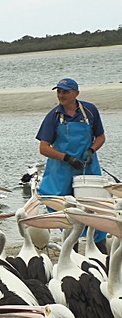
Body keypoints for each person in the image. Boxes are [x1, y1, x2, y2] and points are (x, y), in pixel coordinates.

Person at [36, 77, 106, 250]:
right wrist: (67, 158)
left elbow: (101, 137)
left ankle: (103, 257)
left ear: (76, 93)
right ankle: (72, 257)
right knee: (67, 216)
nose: (61, 95)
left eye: (65, 91)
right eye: (59, 91)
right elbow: (44, 148)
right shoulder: (53, 116)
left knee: (94, 212)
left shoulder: (89, 111)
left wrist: (91, 150)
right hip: (61, 172)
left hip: (87, 170)